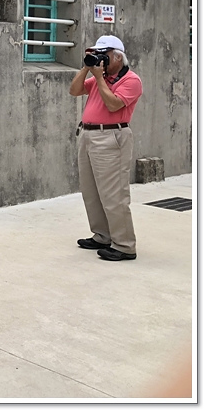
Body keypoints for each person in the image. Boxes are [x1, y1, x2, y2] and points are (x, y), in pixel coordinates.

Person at [68, 35, 143, 261]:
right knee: (90, 191)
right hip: (88, 135)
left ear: (118, 57)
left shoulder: (131, 80)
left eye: (104, 55)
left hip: (112, 136)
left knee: (114, 194)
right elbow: (74, 90)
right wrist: (86, 67)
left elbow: (113, 104)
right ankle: (102, 235)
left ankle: (125, 245)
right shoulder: (100, 77)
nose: (101, 59)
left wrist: (99, 78)